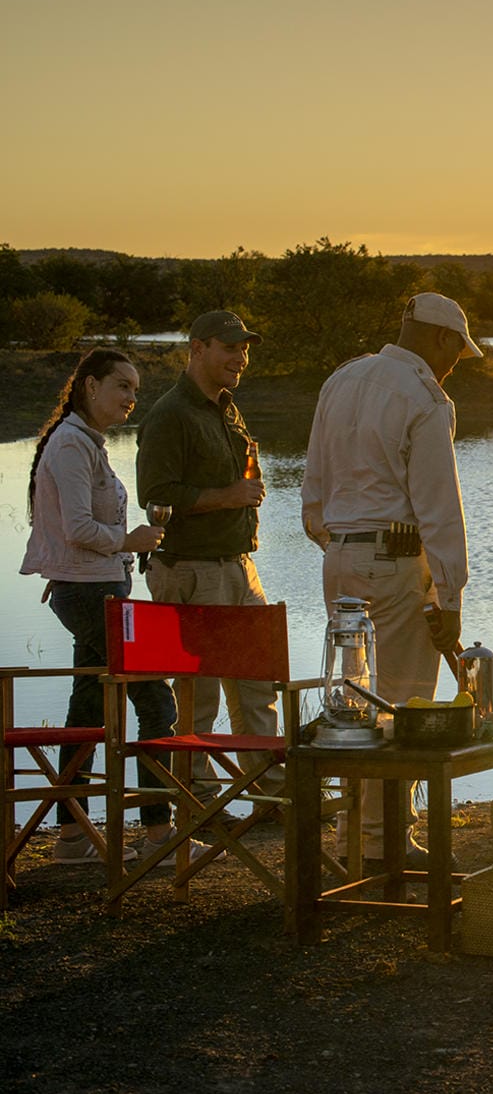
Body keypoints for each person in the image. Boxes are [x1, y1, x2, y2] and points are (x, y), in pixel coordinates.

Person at [300, 292, 480, 866]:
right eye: (457, 350)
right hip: (392, 563)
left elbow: (312, 497)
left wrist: (344, 540)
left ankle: (357, 837)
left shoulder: (342, 380)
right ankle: (384, 842)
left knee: (353, 702)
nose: (454, 364)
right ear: (441, 338)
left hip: (340, 558)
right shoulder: (426, 397)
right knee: (404, 705)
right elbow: (439, 505)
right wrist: (449, 594)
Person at [20, 349, 176, 861]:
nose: (132, 398)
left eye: (135, 389)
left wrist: (122, 549)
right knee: (155, 701)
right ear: (90, 386)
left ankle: (70, 837)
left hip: (96, 590)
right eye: (122, 386)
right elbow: (78, 529)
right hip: (92, 595)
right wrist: (130, 540)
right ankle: (160, 833)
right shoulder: (70, 445)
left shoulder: (86, 442)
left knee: (87, 707)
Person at [135, 310, 279, 759]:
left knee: (259, 684)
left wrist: (243, 492)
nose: (241, 357)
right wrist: (228, 495)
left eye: (245, 349)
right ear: (198, 349)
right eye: (231, 348)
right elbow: (156, 495)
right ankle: (196, 803)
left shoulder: (226, 407)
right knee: (200, 697)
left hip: (239, 565)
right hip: (193, 569)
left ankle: (267, 794)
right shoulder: (169, 414)